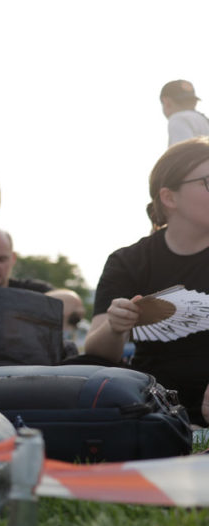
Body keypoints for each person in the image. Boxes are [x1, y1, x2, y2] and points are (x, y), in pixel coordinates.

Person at [86, 137, 209, 425]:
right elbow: (96, 351)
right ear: (169, 198)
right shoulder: (129, 261)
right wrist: (116, 328)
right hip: (149, 409)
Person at [161, 80, 209, 147]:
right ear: (195, 102)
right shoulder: (204, 120)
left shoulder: (178, 118)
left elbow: (183, 153)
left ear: (166, 102)